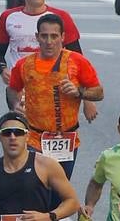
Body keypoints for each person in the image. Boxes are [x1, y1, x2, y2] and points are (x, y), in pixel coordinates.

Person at [6, 13, 103, 178]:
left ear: (63, 37)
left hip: (65, 140)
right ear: (37, 37)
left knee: (59, 193)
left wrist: (79, 92)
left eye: (54, 36)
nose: (49, 42)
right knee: (36, 191)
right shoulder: (24, 65)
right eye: (44, 36)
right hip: (34, 138)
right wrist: (15, 105)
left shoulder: (77, 61)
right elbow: (12, 89)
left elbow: (99, 92)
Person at [0, 0, 88, 111]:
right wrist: (2, 69)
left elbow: (78, 58)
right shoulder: (8, 17)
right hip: (20, 87)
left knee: (50, 132)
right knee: (21, 131)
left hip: (54, 88)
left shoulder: (61, 17)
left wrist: (87, 99)